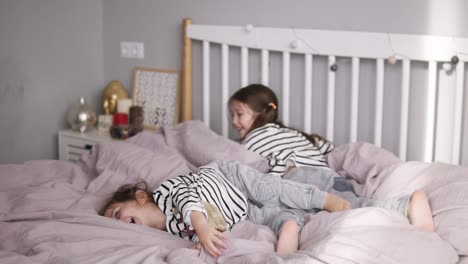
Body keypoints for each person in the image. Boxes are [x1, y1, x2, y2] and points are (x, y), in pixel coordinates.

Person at [228, 83, 435, 253]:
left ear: (264, 112)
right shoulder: (296, 134)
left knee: (289, 208)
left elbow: (254, 170)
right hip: (327, 175)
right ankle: (402, 206)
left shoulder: (252, 139)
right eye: (232, 115)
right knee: (353, 204)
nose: (234, 122)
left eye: (239, 114)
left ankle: (289, 229)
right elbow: (330, 151)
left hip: (296, 177)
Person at [102, 160, 435, 258]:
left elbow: (191, 200)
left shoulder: (165, 192)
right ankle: (289, 245)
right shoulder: (171, 230)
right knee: (277, 218)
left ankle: (323, 198)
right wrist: (204, 237)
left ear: (140, 197)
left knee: (277, 189)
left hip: (232, 179)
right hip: (241, 211)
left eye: (119, 213)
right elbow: (212, 224)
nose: (124, 223)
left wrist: (202, 227)